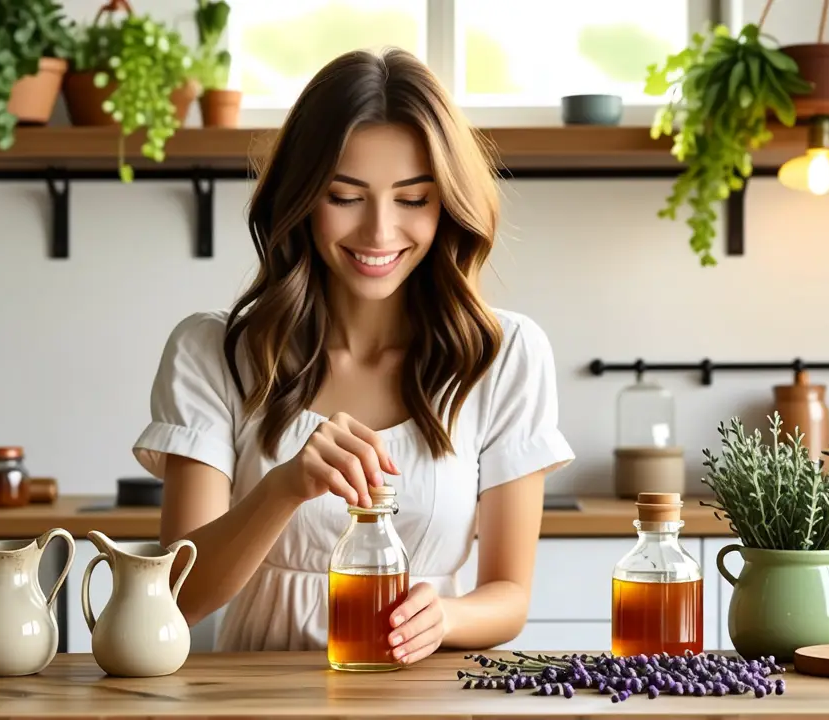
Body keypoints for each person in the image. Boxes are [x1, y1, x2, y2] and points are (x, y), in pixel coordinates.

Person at [132, 46, 574, 665]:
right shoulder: (215, 352)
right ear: (301, 198)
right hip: (255, 703)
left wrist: (445, 616)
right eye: (345, 196)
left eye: (413, 199)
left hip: (426, 702)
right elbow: (175, 601)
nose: (379, 232)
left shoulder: (503, 356)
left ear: (447, 205)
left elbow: (508, 596)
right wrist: (283, 488)